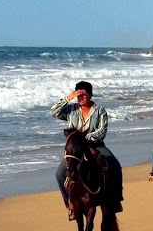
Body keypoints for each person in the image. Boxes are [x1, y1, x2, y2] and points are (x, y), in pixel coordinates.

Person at [51, 81, 123, 219]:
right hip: (76, 150)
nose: (81, 98)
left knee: (115, 165)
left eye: (84, 95)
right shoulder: (71, 110)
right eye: (79, 95)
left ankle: (116, 199)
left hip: (96, 145)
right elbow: (54, 111)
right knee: (59, 173)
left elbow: (102, 131)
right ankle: (70, 205)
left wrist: (85, 139)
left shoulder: (99, 111)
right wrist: (69, 97)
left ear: (90, 95)